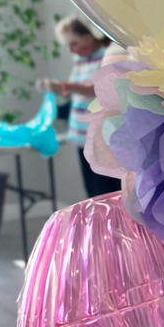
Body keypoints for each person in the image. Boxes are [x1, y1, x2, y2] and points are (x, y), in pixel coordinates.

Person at [41, 17, 120, 198]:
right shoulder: (80, 62)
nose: (71, 50)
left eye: (73, 44)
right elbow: (74, 90)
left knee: (108, 188)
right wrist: (60, 89)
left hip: (102, 137)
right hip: (81, 137)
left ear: (87, 38)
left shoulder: (106, 56)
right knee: (92, 190)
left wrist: (68, 87)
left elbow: (97, 89)